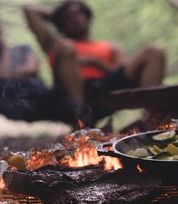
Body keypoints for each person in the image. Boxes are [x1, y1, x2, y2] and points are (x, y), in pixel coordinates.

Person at [23, 0, 166, 121]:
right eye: (68, 17)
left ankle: (151, 116)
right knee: (67, 47)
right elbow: (30, 11)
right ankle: (81, 118)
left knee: (154, 51)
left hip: (107, 85)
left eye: (79, 13)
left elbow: (123, 70)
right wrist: (58, 14)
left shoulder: (110, 46)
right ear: (61, 23)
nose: (75, 18)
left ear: (87, 16)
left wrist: (95, 62)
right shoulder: (55, 45)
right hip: (71, 93)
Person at [0, 2, 81, 124]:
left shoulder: (23, 48)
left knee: (66, 51)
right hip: (18, 106)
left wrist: (10, 72)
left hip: (44, 97)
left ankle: (80, 113)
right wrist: (5, 49)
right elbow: (3, 76)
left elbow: (32, 69)